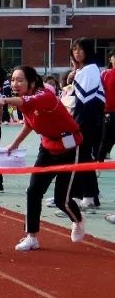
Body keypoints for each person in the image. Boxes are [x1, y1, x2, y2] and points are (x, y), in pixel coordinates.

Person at [0, 66, 86, 252]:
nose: (15, 84)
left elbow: (27, 102)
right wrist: (14, 144)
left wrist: (4, 100)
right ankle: (32, 237)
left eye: (20, 80)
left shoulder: (45, 96)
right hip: (47, 146)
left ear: (32, 82)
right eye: (13, 80)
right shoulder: (24, 103)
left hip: (69, 145)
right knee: (33, 191)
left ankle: (78, 220)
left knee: (63, 200)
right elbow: (29, 123)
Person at [67, 39, 105, 211]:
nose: (77, 52)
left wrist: (75, 125)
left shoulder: (90, 69)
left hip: (86, 122)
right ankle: (84, 195)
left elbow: (84, 100)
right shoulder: (83, 70)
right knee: (81, 158)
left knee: (79, 158)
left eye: (81, 49)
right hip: (84, 120)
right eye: (74, 49)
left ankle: (83, 196)